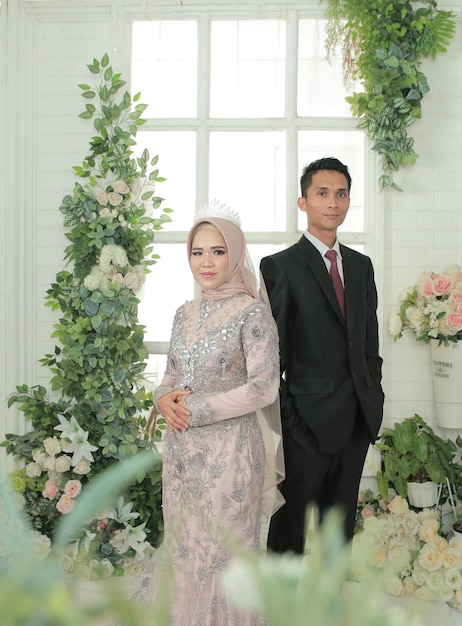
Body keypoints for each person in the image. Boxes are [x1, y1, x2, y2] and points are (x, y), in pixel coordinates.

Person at [146, 201, 284, 625]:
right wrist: (162, 398)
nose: (206, 262)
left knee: (223, 546)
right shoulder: (182, 313)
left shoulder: (252, 312)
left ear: (236, 253)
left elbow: (263, 386)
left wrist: (199, 410)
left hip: (229, 453)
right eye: (197, 251)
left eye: (218, 251)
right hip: (182, 451)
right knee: (185, 542)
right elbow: (170, 374)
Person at [260, 157, 384, 554]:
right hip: (304, 427)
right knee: (290, 528)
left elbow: (369, 346)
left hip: (355, 422)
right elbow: (271, 358)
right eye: (322, 193)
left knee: (339, 529)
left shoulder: (362, 267)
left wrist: (372, 398)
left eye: (341, 193)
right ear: (303, 202)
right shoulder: (280, 267)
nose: (333, 202)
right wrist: (290, 422)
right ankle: (282, 609)